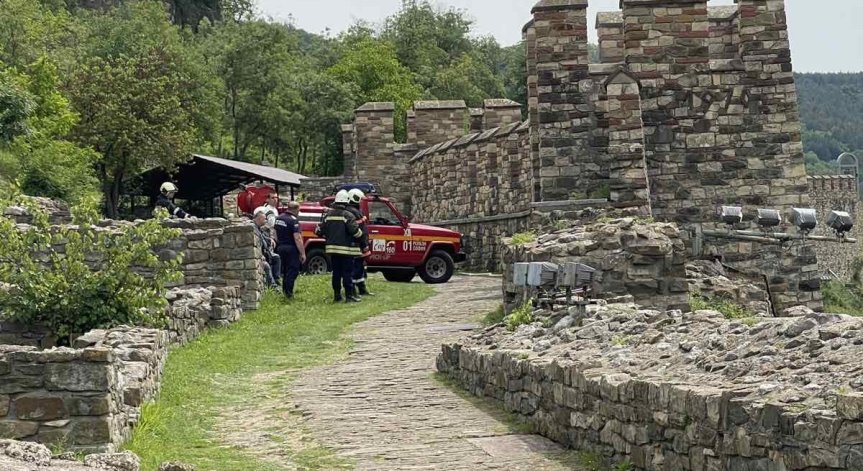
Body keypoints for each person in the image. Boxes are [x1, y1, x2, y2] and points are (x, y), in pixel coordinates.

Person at [316, 190, 363, 303]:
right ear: (346, 202)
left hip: (332, 250)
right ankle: (349, 296)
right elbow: (355, 232)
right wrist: (361, 235)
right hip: (346, 250)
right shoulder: (347, 215)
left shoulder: (328, 215)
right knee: (347, 273)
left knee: (336, 273)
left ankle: (337, 296)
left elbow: (319, 231)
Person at [275, 201, 306, 299]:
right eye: (298, 210)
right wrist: (302, 253)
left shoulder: (278, 218)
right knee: (292, 271)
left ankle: (285, 292)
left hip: (280, 247)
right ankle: (289, 294)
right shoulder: (293, 220)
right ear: (296, 209)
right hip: (291, 249)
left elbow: (274, 233)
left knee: (284, 271)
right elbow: (297, 238)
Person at [346, 189, 373, 296]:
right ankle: (353, 291)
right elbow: (358, 231)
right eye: (360, 199)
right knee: (355, 268)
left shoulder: (354, 210)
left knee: (360, 267)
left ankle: (361, 289)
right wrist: (364, 244)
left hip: (358, 244)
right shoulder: (354, 212)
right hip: (356, 245)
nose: (361, 201)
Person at [253, 206, 281, 289]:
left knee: (276, 257)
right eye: (264, 219)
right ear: (259, 218)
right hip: (261, 254)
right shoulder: (253, 228)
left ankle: (276, 279)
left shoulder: (258, 228)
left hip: (266, 251)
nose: (266, 221)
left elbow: (263, 236)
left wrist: (270, 239)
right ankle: (273, 286)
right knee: (267, 266)